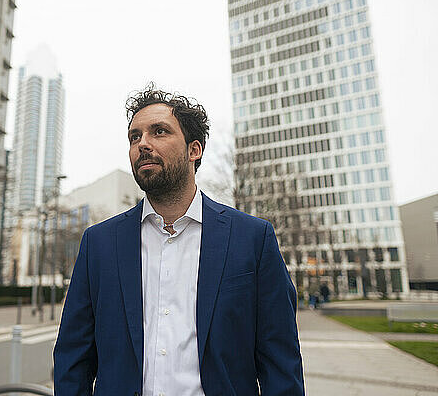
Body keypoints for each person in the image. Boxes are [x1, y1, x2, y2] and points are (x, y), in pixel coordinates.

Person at [53, 85, 304, 395]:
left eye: (159, 132)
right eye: (135, 137)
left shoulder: (253, 239)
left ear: (193, 150)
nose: (142, 143)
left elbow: (280, 361)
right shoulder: (99, 244)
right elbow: (72, 359)